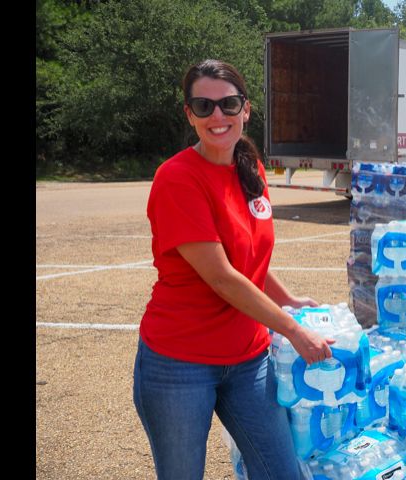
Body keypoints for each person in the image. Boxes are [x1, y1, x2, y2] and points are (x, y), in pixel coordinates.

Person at [132, 59, 333, 480]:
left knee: (281, 473)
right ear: (189, 115)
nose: (217, 116)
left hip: (247, 358)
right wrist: (294, 330)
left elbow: (248, 258)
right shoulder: (177, 178)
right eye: (203, 107)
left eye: (228, 104)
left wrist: (289, 299)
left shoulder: (249, 168)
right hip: (178, 361)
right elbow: (222, 277)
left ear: (246, 109)